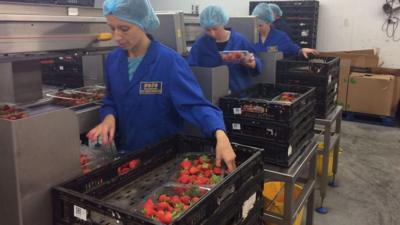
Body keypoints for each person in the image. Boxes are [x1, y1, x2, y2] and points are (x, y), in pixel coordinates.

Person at [87, 0, 236, 171]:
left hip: (162, 160)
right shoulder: (113, 60)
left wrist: (220, 134)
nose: (117, 36)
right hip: (126, 157)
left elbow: (196, 105)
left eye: (124, 28)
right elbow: (111, 100)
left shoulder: (169, 62)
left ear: (142, 24)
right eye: (112, 28)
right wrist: (108, 117)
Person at [188, 5, 262, 93]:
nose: (212, 33)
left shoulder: (240, 41)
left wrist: (253, 64)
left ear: (223, 23)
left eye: (215, 29)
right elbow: (191, 71)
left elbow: (256, 65)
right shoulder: (199, 45)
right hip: (211, 96)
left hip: (238, 95)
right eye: (208, 30)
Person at [251, 3, 318, 58]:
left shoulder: (280, 37)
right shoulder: (250, 36)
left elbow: (292, 49)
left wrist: (301, 50)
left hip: (273, 72)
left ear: (269, 22)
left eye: (260, 25)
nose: (257, 28)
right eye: (255, 24)